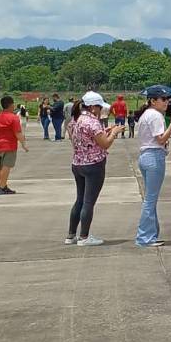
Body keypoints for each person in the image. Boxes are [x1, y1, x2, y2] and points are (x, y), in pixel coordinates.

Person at [66, 92, 123, 246]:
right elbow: (105, 144)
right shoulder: (93, 122)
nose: (100, 110)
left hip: (78, 163)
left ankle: (71, 235)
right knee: (88, 202)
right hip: (93, 164)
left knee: (80, 199)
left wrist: (105, 133)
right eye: (99, 107)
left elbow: (86, 140)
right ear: (93, 107)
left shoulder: (75, 120)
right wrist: (114, 133)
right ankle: (84, 237)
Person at [133, 86, 171, 247]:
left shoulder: (148, 114)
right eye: (163, 99)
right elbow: (160, 139)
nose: (167, 102)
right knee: (150, 199)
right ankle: (145, 236)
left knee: (150, 198)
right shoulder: (155, 115)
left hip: (147, 156)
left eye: (167, 99)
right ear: (153, 101)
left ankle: (151, 233)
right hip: (153, 156)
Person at [0, 96, 28, 195]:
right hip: (9, 145)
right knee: (6, 166)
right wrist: (24, 144)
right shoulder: (13, 118)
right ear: (11, 105)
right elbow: (18, 133)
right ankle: (2, 187)